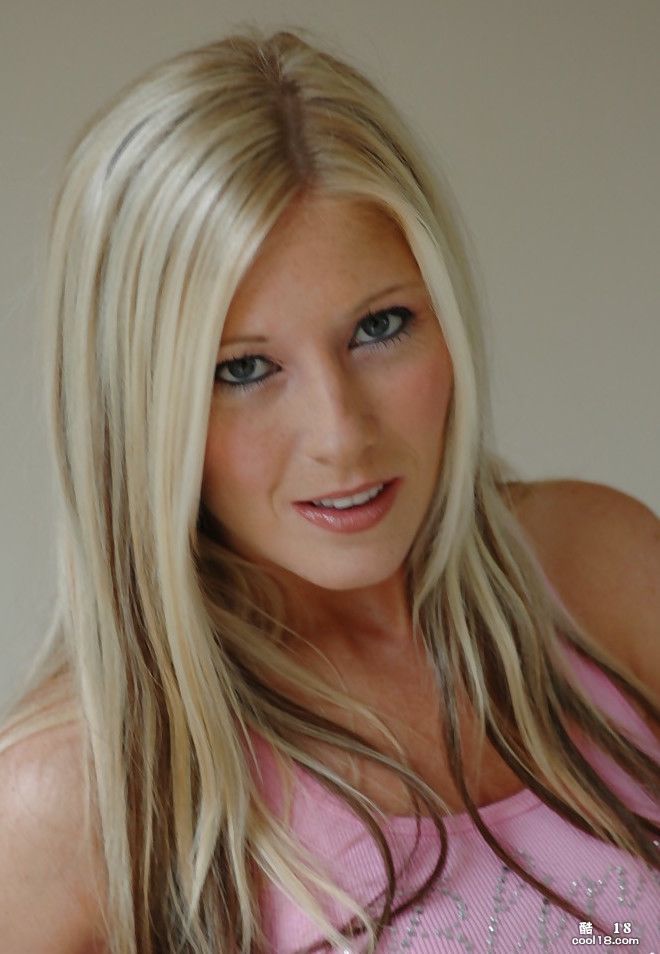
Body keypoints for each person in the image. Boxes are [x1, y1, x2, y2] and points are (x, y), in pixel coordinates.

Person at [0, 26, 658, 954]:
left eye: (380, 326)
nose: (342, 434)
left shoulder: (602, 566)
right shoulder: (75, 794)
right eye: (242, 370)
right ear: (135, 417)